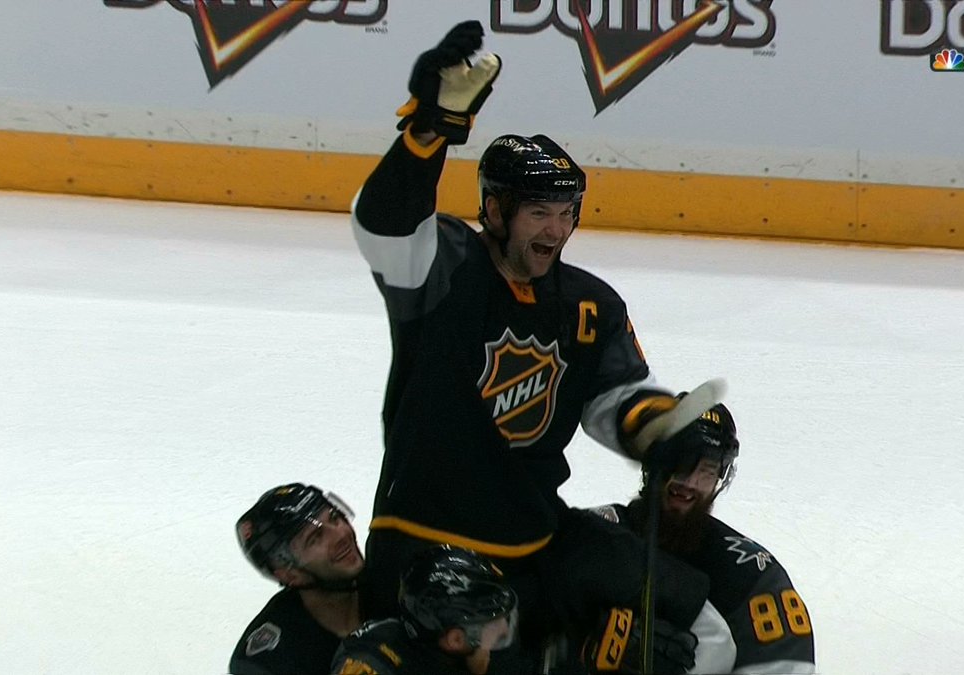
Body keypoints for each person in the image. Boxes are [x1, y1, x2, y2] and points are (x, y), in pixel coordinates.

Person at [351, 18, 733, 674]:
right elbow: (384, 223)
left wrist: (654, 427)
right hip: (423, 542)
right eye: (538, 212)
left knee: (701, 624)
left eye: (566, 212)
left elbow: (615, 396)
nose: (556, 230)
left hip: (538, 536)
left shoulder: (589, 303)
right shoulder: (443, 269)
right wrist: (428, 132)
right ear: (496, 211)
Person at [587, 403, 817, 674]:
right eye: (680, 462)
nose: (689, 482)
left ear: (721, 477)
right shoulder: (592, 535)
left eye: (707, 470)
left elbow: (789, 668)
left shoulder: (750, 575)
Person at [230, 483, 369, 675]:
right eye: (315, 538)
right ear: (289, 574)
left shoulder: (396, 586)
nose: (341, 534)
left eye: (335, 518)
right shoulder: (272, 662)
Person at [330, 545, 519, 675]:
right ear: (455, 639)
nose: (503, 628)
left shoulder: (453, 656)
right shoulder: (370, 662)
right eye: (492, 624)